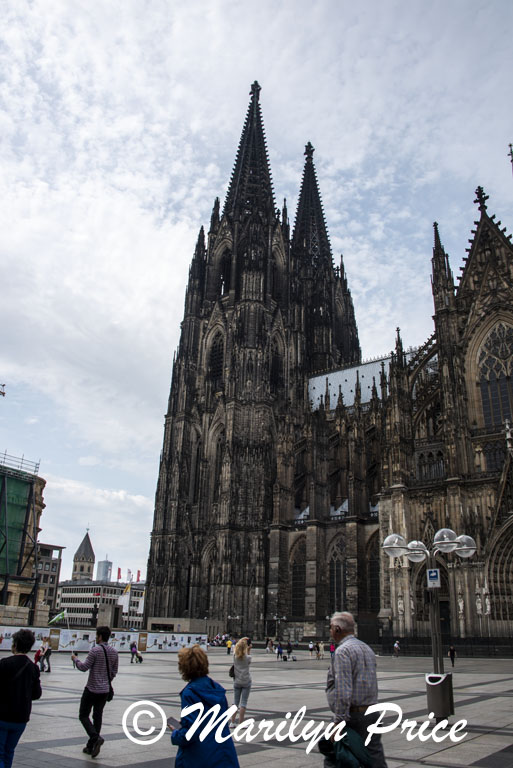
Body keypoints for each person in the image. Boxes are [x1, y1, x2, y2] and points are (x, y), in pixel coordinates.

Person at [325, 611, 388, 768]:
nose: (330, 631)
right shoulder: (367, 648)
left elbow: (343, 689)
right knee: (375, 758)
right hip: (372, 713)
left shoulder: (342, 651)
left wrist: (339, 721)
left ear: (338, 629)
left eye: (331, 627)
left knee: (334, 757)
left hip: (354, 716)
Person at [170, 644, 239, 767]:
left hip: (200, 756)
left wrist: (176, 733)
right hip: (223, 754)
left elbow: (190, 734)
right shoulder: (216, 689)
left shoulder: (190, 693)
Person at [72, 625, 118, 758]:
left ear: (100, 636)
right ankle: (91, 746)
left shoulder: (95, 651)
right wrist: (106, 680)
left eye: (97, 635)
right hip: (105, 690)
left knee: (83, 715)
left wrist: (75, 660)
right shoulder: (114, 652)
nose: (96, 638)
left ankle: (95, 737)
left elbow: (84, 667)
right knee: (97, 717)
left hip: (91, 689)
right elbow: (114, 671)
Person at [0, 628, 42, 768]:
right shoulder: (33, 668)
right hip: (21, 718)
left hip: (3, 716)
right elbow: (37, 694)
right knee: (9, 751)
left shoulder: (4, 664)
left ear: (16, 644)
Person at [230, 637, 252, 726]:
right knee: (243, 702)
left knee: (235, 702)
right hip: (246, 681)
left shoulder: (235, 656)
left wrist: (241, 639)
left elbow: (237, 646)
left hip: (237, 681)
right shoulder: (247, 657)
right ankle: (241, 723)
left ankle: (232, 722)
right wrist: (249, 650)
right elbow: (249, 660)